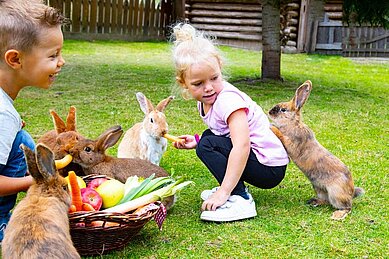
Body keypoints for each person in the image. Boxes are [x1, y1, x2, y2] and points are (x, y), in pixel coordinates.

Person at [171, 23, 289, 222]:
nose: (208, 88)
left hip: (269, 166)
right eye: (198, 84)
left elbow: (242, 146)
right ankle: (232, 187)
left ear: (220, 69)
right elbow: (221, 132)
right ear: (184, 84)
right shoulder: (207, 101)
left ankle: (240, 197)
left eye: (214, 78)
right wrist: (196, 139)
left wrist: (223, 192)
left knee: (207, 145)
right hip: (257, 158)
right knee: (206, 138)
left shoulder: (228, 101)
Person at [0, 0, 66, 242]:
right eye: (53, 55)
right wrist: (33, 180)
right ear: (15, 60)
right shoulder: (2, 114)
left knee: (19, 137)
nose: (62, 62)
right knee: (22, 143)